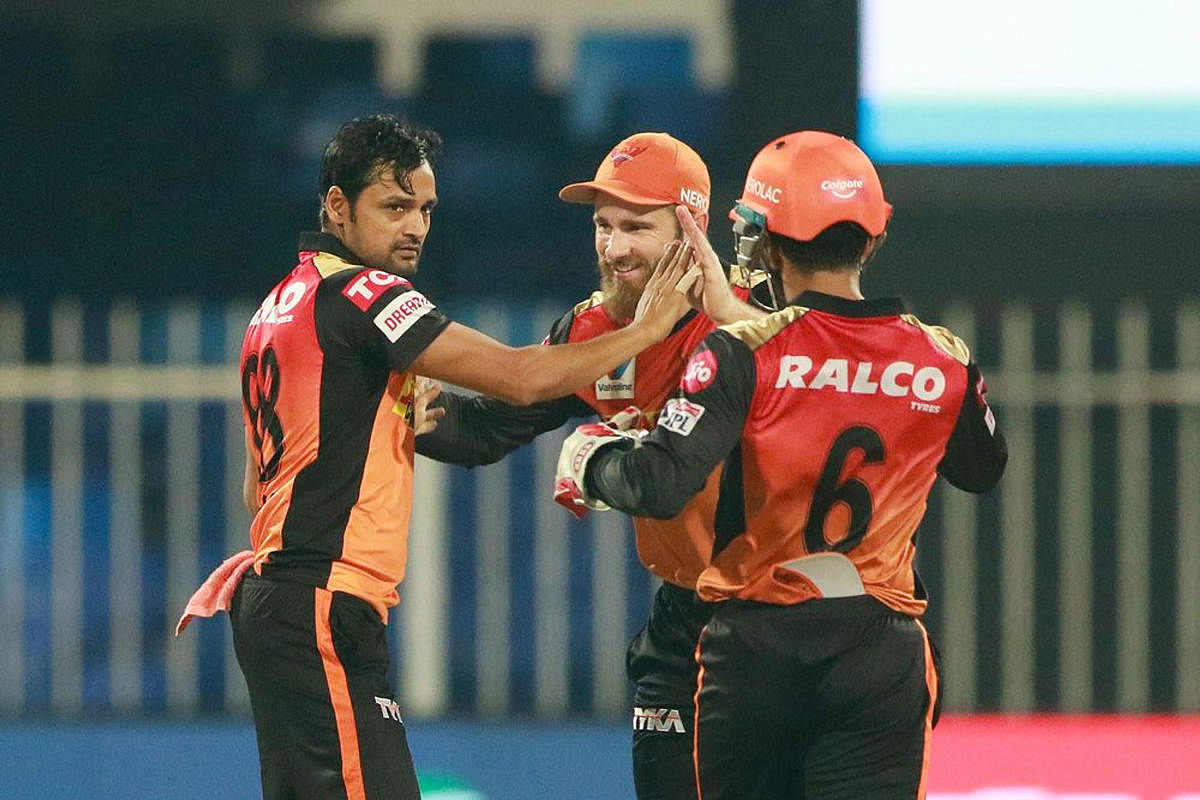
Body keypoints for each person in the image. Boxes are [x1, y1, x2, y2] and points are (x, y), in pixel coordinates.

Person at [228, 114, 692, 800]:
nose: (415, 226)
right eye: (394, 207)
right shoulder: (367, 293)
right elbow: (522, 378)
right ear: (335, 206)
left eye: (425, 209)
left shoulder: (276, 307)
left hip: (280, 603)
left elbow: (254, 491)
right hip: (323, 606)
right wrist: (650, 329)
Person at [555, 130, 1008, 799]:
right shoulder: (943, 358)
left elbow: (659, 482)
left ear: (763, 243)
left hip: (755, 648)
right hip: (880, 651)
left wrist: (591, 458)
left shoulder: (742, 350)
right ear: (874, 237)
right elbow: (981, 468)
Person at [414, 131, 762, 799]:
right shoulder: (594, 328)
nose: (614, 246)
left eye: (637, 226)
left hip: (776, 615)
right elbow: (486, 429)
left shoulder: (753, 323)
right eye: (603, 225)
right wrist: (396, 410)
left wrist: (601, 458)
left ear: (693, 230)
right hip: (684, 618)